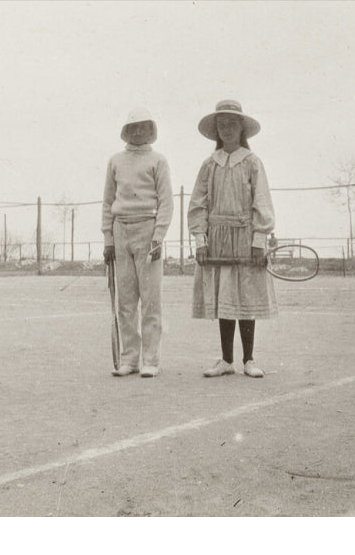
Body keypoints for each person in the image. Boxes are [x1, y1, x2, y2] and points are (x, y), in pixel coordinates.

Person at [188, 99, 277, 378]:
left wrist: (259, 241)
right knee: (224, 295)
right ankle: (226, 360)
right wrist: (200, 241)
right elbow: (197, 205)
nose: (226, 130)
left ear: (242, 129)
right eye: (222, 125)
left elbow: (262, 201)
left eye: (232, 124)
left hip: (245, 237)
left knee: (245, 295)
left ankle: (248, 359)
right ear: (216, 131)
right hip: (216, 239)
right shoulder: (208, 165)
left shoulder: (252, 163)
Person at [102, 107, 174, 378]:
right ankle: (129, 358)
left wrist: (158, 236)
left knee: (151, 299)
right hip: (121, 230)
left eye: (144, 127)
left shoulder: (158, 160)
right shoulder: (116, 161)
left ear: (151, 130)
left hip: (148, 228)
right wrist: (108, 238)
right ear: (127, 131)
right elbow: (108, 201)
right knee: (126, 299)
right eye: (134, 128)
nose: (139, 132)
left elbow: (166, 201)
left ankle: (151, 359)